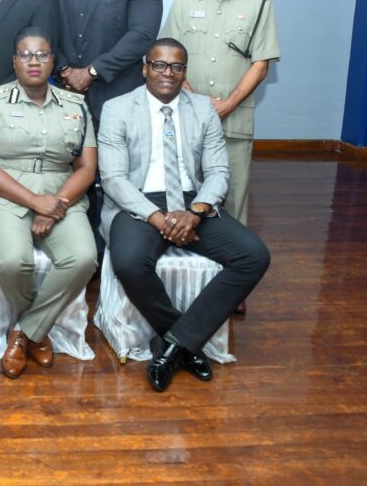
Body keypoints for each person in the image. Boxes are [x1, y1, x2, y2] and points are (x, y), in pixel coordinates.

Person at [98, 38, 270, 392]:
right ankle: (185, 338)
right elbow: (113, 179)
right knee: (129, 261)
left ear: (184, 73)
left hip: (192, 201)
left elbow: (220, 171)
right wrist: (159, 219)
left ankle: (174, 345)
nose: (168, 73)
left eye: (176, 67)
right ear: (144, 68)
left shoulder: (203, 108)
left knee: (253, 255)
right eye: (159, 65)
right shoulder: (117, 108)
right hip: (138, 202)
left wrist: (195, 212)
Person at [0, 27, 98, 379]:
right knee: (13, 261)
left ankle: (26, 332)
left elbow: (86, 167)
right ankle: (37, 334)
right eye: (26, 54)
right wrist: (34, 202)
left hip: (61, 194)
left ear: (53, 60)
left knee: (84, 257)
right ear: (14, 61)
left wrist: (57, 204)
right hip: (1, 197)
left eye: (42, 54)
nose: (34, 61)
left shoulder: (76, 105)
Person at [46, 0, 163, 253]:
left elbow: (141, 35)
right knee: (71, 173)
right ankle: (80, 247)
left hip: (118, 95)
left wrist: (92, 72)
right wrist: (65, 69)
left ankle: (120, 248)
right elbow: (48, 33)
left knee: (117, 176)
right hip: (67, 96)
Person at [159, 0, 280, 228]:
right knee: (185, 189)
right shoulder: (184, 1)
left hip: (234, 117)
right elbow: (167, 58)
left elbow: (261, 63)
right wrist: (196, 101)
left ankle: (233, 260)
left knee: (234, 192)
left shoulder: (259, 4)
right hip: (185, 114)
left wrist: (228, 104)